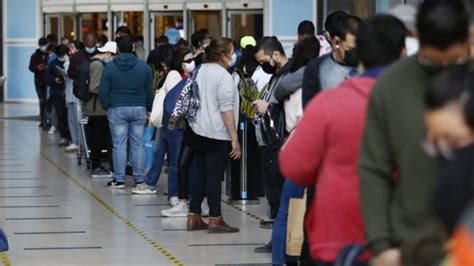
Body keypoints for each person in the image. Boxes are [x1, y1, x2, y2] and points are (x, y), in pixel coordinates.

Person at [280, 15, 407, 265]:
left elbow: (293, 165)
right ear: (403, 53)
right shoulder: (420, 105)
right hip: (402, 239)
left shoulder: (328, 104)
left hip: (336, 238)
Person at [358, 1, 471, 266]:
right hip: (409, 244)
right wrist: (380, 244)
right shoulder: (390, 87)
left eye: (454, 61)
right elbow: (374, 169)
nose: (445, 68)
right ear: (416, 36)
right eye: (434, 61)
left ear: (467, 37)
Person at [271, 35, 320, 265]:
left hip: (290, 145)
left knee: (285, 211)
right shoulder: (307, 85)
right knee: (296, 209)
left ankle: (279, 260)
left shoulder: (288, 82)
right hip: (306, 148)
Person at [186, 37, 241, 234]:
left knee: (200, 173)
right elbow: (226, 108)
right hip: (217, 133)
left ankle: (194, 216)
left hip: (197, 130)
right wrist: (234, 137)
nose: (234, 55)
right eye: (232, 51)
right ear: (223, 55)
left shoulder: (201, 70)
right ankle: (215, 219)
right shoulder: (223, 76)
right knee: (214, 177)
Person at [131, 49, 191, 200]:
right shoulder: (174, 76)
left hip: (171, 121)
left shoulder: (180, 76)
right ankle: (172, 191)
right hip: (173, 121)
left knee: (164, 154)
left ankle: (160, 185)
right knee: (171, 157)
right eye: (188, 60)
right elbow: (176, 101)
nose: (191, 64)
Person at [252, 36, 291, 253]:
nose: (262, 66)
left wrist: (269, 107)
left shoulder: (290, 76)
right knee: (274, 195)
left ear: (275, 55)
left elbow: (290, 109)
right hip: (269, 142)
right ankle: (277, 239)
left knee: (281, 196)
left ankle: (282, 241)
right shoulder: (277, 75)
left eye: (263, 61)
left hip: (281, 143)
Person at [99, 36, 153, 188]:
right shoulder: (144, 67)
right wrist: (148, 107)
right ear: (133, 48)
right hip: (138, 108)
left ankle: (119, 179)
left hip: (116, 108)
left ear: (117, 49)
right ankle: (140, 179)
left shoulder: (109, 67)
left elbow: (103, 91)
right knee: (138, 145)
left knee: (119, 145)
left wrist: (107, 105)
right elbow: (149, 91)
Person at [302, 15, 361, 106]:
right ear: (336, 42)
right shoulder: (316, 69)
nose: (356, 53)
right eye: (350, 49)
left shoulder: (369, 67)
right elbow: (310, 111)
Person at [86, 41, 117, 179]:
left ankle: (97, 165)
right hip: (97, 108)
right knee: (98, 138)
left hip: (95, 107)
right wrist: (109, 92)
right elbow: (94, 87)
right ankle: (96, 167)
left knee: (97, 138)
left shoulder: (94, 62)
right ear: (108, 53)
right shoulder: (98, 65)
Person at [46, 45, 71, 146]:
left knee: (70, 116)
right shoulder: (53, 64)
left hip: (69, 93)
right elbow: (47, 78)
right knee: (61, 115)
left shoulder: (71, 62)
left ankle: (71, 136)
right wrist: (54, 80)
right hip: (57, 93)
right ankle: (64, 136)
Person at [29, 37, 49, 129]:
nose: (43, 47)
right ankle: (43, 119)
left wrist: (47, 67)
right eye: (41, 45)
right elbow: (31, 67)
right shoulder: (35, 55)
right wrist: (38, 68)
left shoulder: (50, 54)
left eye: (44, 45)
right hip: (39, 81)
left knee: (46, 101)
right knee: (42, 100)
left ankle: (46, 119)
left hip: (48, 81)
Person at [64, 43, 79, 153]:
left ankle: (81, 142)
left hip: (78, 96)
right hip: (70, 96)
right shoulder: (67, 63)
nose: (70, 51)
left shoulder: (82, 62)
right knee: (71, 119)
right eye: (69, 49)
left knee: (79, 120)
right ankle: (74, 141)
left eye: (72, 48)